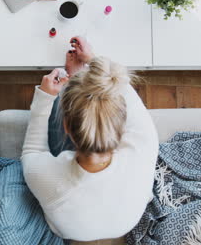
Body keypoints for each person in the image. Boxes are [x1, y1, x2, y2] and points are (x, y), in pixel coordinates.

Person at [21, 37, 159, 241]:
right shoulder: (145, 142)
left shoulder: (45, 176)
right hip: (125, 221)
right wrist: (89, 64)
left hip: (69, 227)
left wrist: (45, 97)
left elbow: (32, 150)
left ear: (66, 126)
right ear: (122, 125)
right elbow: (120, 86)